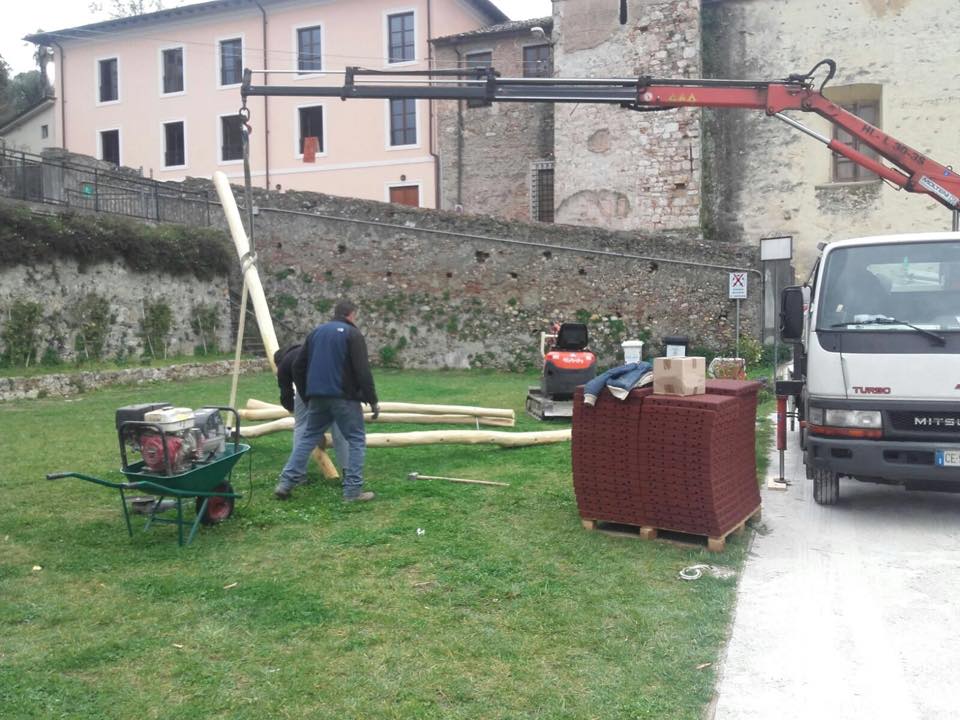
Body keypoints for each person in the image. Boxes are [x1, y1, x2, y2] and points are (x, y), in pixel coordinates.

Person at [274, 300, 379, 502]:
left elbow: (297, 366)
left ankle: (286, 483)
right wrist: (372, 399)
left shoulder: (316, 333)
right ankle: (352, 491)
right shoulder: (353, 334)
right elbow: (362, 370)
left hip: (317, 397)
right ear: (352, 315)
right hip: (344, 397)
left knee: (307, 437)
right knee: (356, 439)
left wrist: (307, 395)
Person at [274, 343, 350, 479]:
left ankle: (296, 475)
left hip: (314, 385)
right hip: (334, 379)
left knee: (301, 428)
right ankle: (348, 472)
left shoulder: (284, 364)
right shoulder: (310, 348)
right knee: (339, 428)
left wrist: (294, 409)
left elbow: (286, 394)